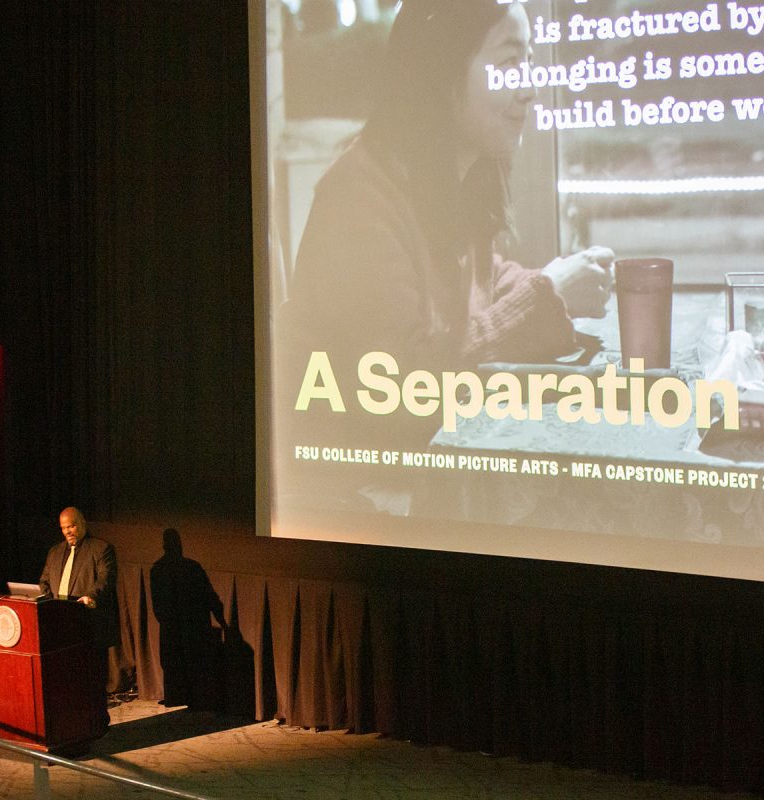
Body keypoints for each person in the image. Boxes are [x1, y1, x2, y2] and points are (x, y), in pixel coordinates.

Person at [279, 0, 614, 446]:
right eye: (509, 63)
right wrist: (547, 297)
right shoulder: (358, 198)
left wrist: (555, 283)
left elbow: (482, 282)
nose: (531, 88)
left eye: (529, 60)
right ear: (441, 71)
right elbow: (401, 388)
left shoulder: (450, 174)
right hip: (362, 476)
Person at [37, 506, 119, 734]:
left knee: (92, 678)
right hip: (60, 625)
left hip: (88, 624)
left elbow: (106, 579)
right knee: (67, 681)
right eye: (64, 528)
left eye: (72, 526)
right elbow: (44, 581)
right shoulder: (55, 552)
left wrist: (91, 597)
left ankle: (98, 724)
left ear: (82, 523)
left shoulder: (101, 548)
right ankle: (74, 723)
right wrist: (48, 601)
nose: (68, 531)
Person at [149, 528, 226, 708]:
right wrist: (220, 618)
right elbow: (209, 595)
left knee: (175, 660)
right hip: (189, 622)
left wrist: (165, 620)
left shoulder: (159, 568)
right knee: (185, 660)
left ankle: (178, 697)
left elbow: (157, 601)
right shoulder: (190, 566)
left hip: (176, 623)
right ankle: (188, 698)